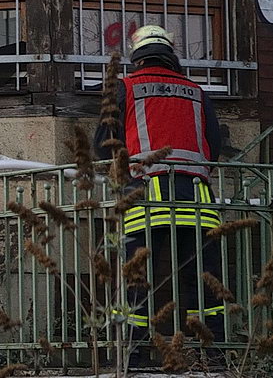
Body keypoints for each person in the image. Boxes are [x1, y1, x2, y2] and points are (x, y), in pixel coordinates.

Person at [96, 23, 226, 361]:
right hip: (197, 200)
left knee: (137, 278)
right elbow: (214, 144)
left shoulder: (125, 87)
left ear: (137, 57)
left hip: (145, 198)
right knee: (204, 280)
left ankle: (134, 357)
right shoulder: (196, 92)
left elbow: (104, 144)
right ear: (170, 55)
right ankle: (215, 355)